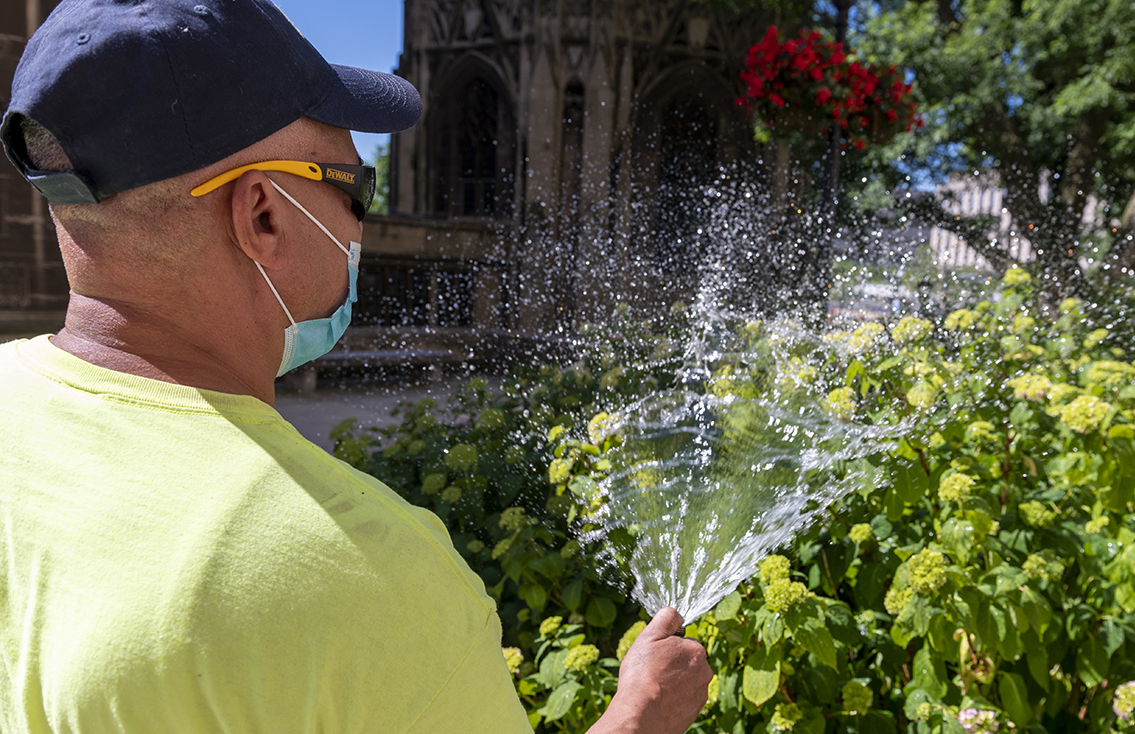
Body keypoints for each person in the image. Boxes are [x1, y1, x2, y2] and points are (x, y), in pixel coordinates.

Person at [0, 1, 711, 732]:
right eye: (353, 188)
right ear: (263, 216)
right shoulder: (370, 573)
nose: (358, 224)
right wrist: (641, 715)